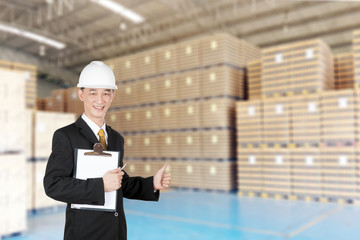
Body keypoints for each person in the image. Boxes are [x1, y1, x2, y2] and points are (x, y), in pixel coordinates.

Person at [43, 61, 171, 240]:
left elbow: (119, 182)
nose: (100, 100)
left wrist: (151, 184)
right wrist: (100, 185)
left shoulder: (116, 138)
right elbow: (53, 185)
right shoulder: (66, 136)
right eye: (93, 93)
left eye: (106, 93)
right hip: (85, 234)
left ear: (113, 96)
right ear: (81, 94)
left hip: (115, 232)